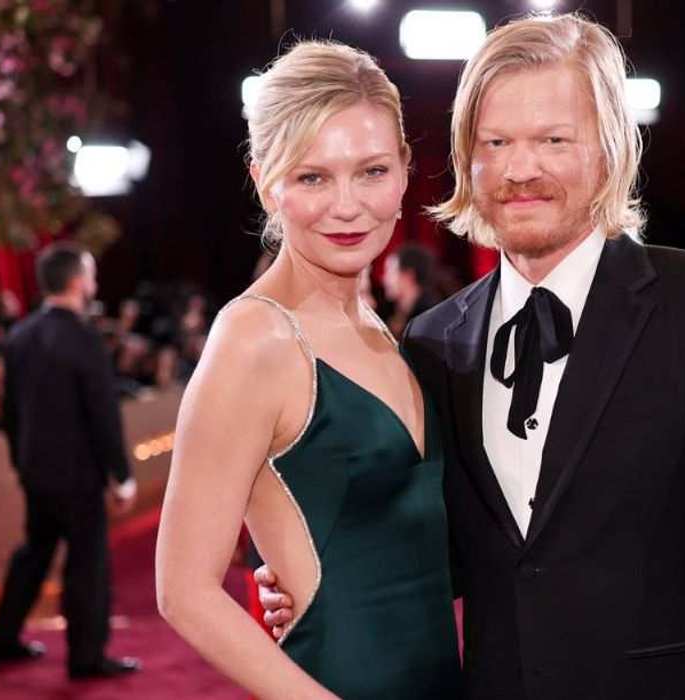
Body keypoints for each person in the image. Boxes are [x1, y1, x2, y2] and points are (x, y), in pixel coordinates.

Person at [260, 13, 685, 699]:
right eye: (495, 142)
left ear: (608, 151)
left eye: (553, 140)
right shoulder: (434, 342)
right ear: (468, 158)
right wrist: (324, 578)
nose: (520, 169)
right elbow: (453, 557)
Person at [154, 41, 461, 699]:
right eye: (312, 176)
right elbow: (182, 590)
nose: (346, 205)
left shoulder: (381, 331)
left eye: (372, 171)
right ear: (265, 180)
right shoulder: (255, 337)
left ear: (406, 170)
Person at [0, 243, 140, 680]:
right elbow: (102, 412)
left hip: (35, 470)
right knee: (87, 563)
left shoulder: (19, 336)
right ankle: (86, 658)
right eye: (90, 274)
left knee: (34, 552)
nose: (94, 283)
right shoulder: (84, 337)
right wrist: (121, 476)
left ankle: (2, 639)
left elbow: (10, 412)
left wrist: (20, 462)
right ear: (76, 282)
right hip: (79, 473)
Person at [381, 243, 440, 336]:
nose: (384, 279)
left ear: (409, 276)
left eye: (390, 272)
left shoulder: (429, 319)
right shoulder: (389, 311)